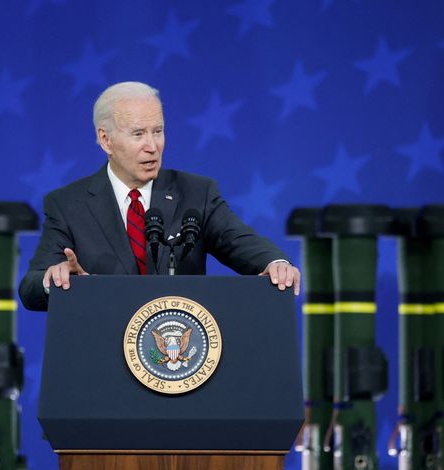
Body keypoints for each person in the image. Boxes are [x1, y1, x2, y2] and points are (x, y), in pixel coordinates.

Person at [19, 81, 300, 311]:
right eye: (138, 134)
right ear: (106, 140)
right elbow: (31, 287)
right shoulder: (69, 204)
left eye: (158, 131)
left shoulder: (195, 193)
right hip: (103, 357)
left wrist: (276, 263)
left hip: (180, 359)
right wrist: (54, 279)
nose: (152, 146)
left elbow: (239, 241)